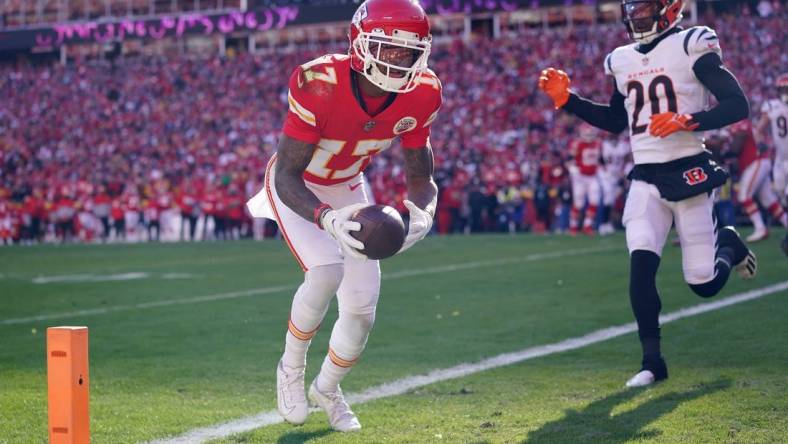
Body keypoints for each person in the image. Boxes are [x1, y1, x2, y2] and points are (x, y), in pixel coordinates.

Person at [538, 0, 757, 388]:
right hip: (645, 175)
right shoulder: (621, 59)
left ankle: (729, 244)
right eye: (632, 6)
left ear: (670, 7)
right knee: (641, 265)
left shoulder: (693, 43)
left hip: (689, 168)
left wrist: (688, 119)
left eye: (645, 6)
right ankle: (652, 362)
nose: (637, 14)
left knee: (703, 283)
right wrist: (568, 101)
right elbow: (615, 120)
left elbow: (737, 104)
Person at [246, 0, 441, 432]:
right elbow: (289, 174)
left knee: (361, 308)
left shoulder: (423, 91)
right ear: (359, 43)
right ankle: (291, 368)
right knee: (326, 271)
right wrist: (325, 218)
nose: (398, 61)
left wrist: (423, 211)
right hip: (300, 186)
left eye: (407, 53)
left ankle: (329, 388)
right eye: (387, 49)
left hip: (349, 185)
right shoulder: (320, 82)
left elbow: (419, 175)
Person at [728, 119, 785, 242]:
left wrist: (728, 153)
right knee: (768, 200)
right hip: (758, 161)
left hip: (756, 161)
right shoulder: (744, 123)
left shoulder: (740, 123)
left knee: (744, 196)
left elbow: (738, 143)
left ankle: (760, 229)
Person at [755, 73, 788, 254]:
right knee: (782, 197)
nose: (785, 93)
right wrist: (761, 143)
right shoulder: (773, 106)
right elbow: (759, 129)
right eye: (782, 89)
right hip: (780, 161)